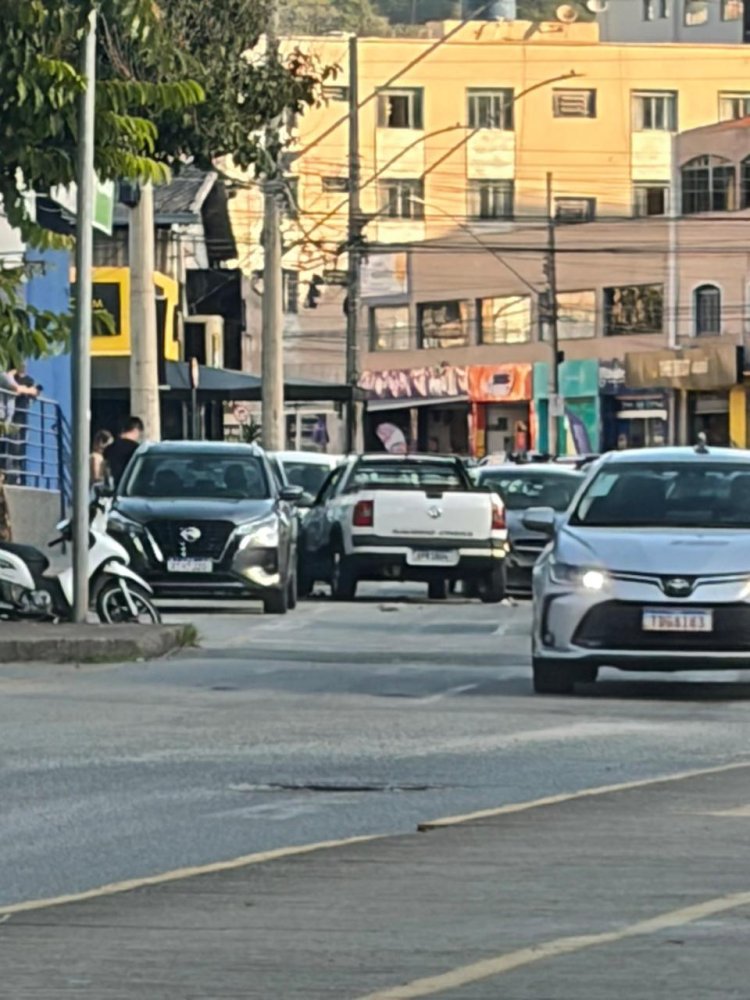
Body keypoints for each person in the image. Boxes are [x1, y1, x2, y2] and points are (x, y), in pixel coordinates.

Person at [104, 416, 144, 488]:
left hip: (114, 487)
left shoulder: (109, 448)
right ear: (136, 430)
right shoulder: (137, 450)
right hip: (133, 487)